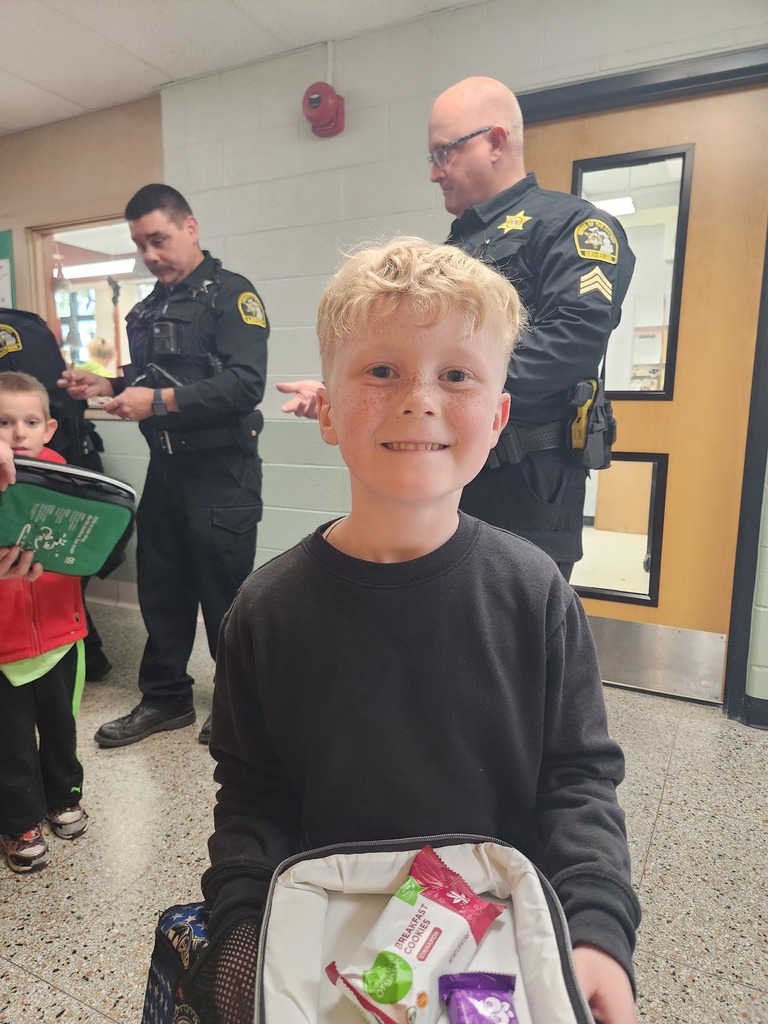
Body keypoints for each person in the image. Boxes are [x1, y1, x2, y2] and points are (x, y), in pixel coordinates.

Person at [201, 239, 640, 1024]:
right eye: (381, 371)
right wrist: (240, 936)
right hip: (329, 953)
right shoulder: (264, 612)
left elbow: (577, 780)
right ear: (327, 411)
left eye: (458, 375)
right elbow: (251, 797)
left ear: (498, 415)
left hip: (495, 946)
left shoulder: (536, 594)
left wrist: (599, 931)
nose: (420, 398)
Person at [278, 76, 636, 580]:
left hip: (524, 488)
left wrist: (453, 386)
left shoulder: (571, 226)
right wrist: (359, 387)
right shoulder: (453, 248)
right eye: (432, 157)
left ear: (495, 141)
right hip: (442, 478)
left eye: (443, 152)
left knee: (509, 634)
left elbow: (571, 340)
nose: (435, 172)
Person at [59, 184, 269, 748]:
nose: (150, 254)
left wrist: (156, 403)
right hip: (167, 470)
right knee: (162, 587)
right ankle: (165, 698)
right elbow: (158, 374)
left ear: (190, 228)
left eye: (159, 239)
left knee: (225, 593)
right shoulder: (148, 307)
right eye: (140, 244)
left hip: (221, 470)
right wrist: (109, 383)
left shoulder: (232, 295)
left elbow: (245, 384)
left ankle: (239, 707)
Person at [0, 372, 89, 872]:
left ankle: (63, 796)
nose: (18, 433)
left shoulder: (67, 478)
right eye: (4, 422)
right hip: (5, 642)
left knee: (61, 726)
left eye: (30, 421)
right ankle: (19, 821)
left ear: (49, 428)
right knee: (10, 739)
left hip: (60, 633)